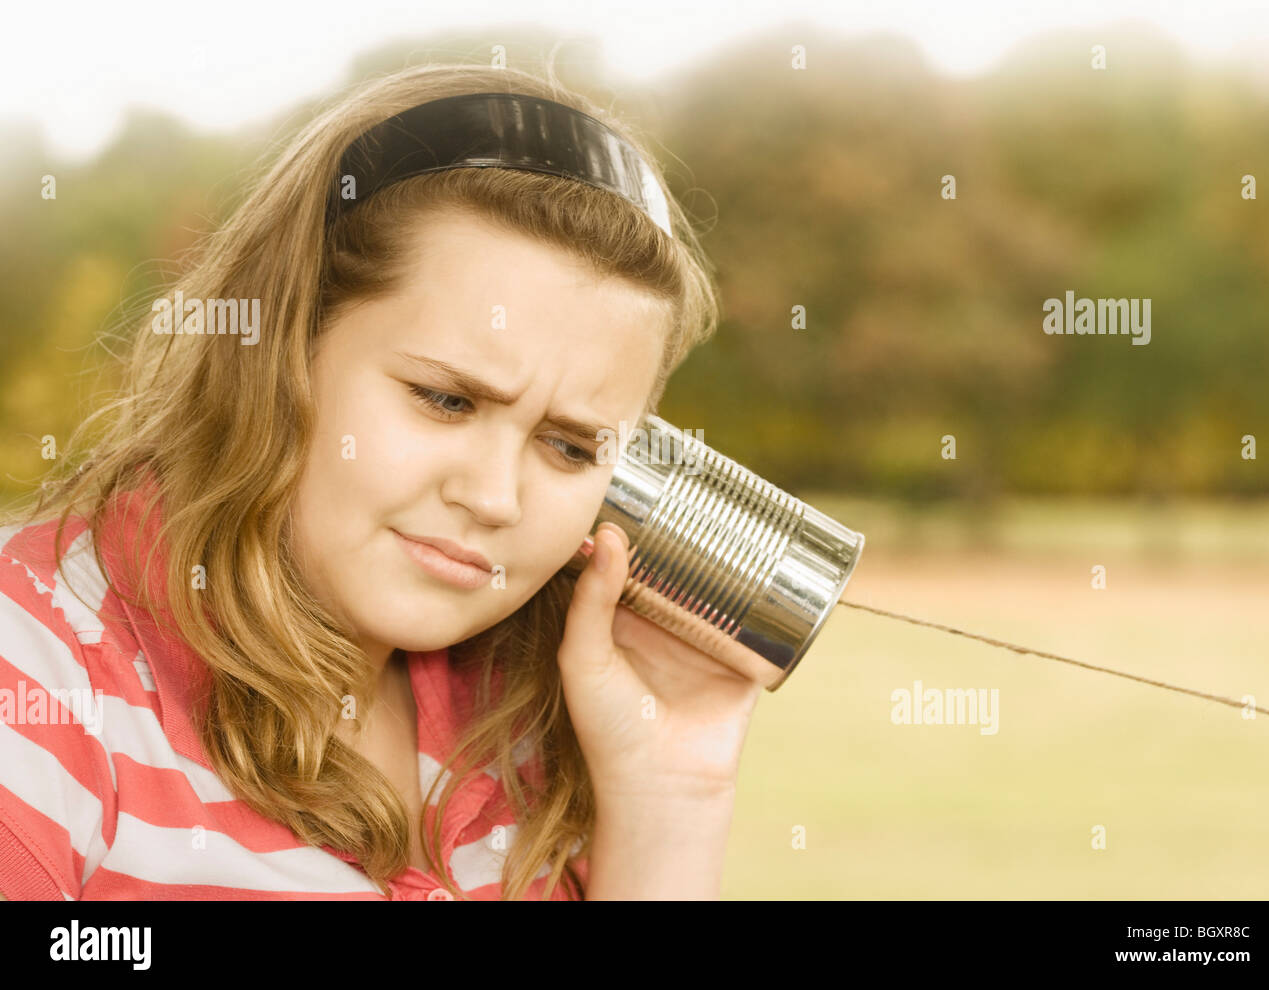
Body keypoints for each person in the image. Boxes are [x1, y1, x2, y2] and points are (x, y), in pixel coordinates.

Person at [0, 62, 761, 901]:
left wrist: (669, 795)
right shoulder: (35, 670)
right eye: (446, 400)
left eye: (570, 447)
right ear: (282, 350)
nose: (495, 498)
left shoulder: (519, 729)